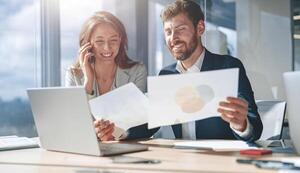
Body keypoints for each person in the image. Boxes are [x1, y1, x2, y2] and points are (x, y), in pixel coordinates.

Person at [155, 0, 263, 142]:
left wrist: (241, 125)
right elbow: (151, 123)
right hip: (181, 156)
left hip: (221, 159)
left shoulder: (228, 67)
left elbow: (255, 128)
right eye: (168, 31)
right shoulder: (166, 75)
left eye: (181, 29)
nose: (173, 38)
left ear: (200, 28)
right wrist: (122, 130)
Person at [65, 11, 149, 141]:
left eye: (113, 40)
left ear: (121, 40)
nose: (107, 48)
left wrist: (115, 133)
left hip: (125, 147)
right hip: (87, 149)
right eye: (99, 41)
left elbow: (138, 122)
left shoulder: (137, 71)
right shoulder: (73, 75)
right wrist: (88, 81)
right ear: (87, 44)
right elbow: (73, 121)